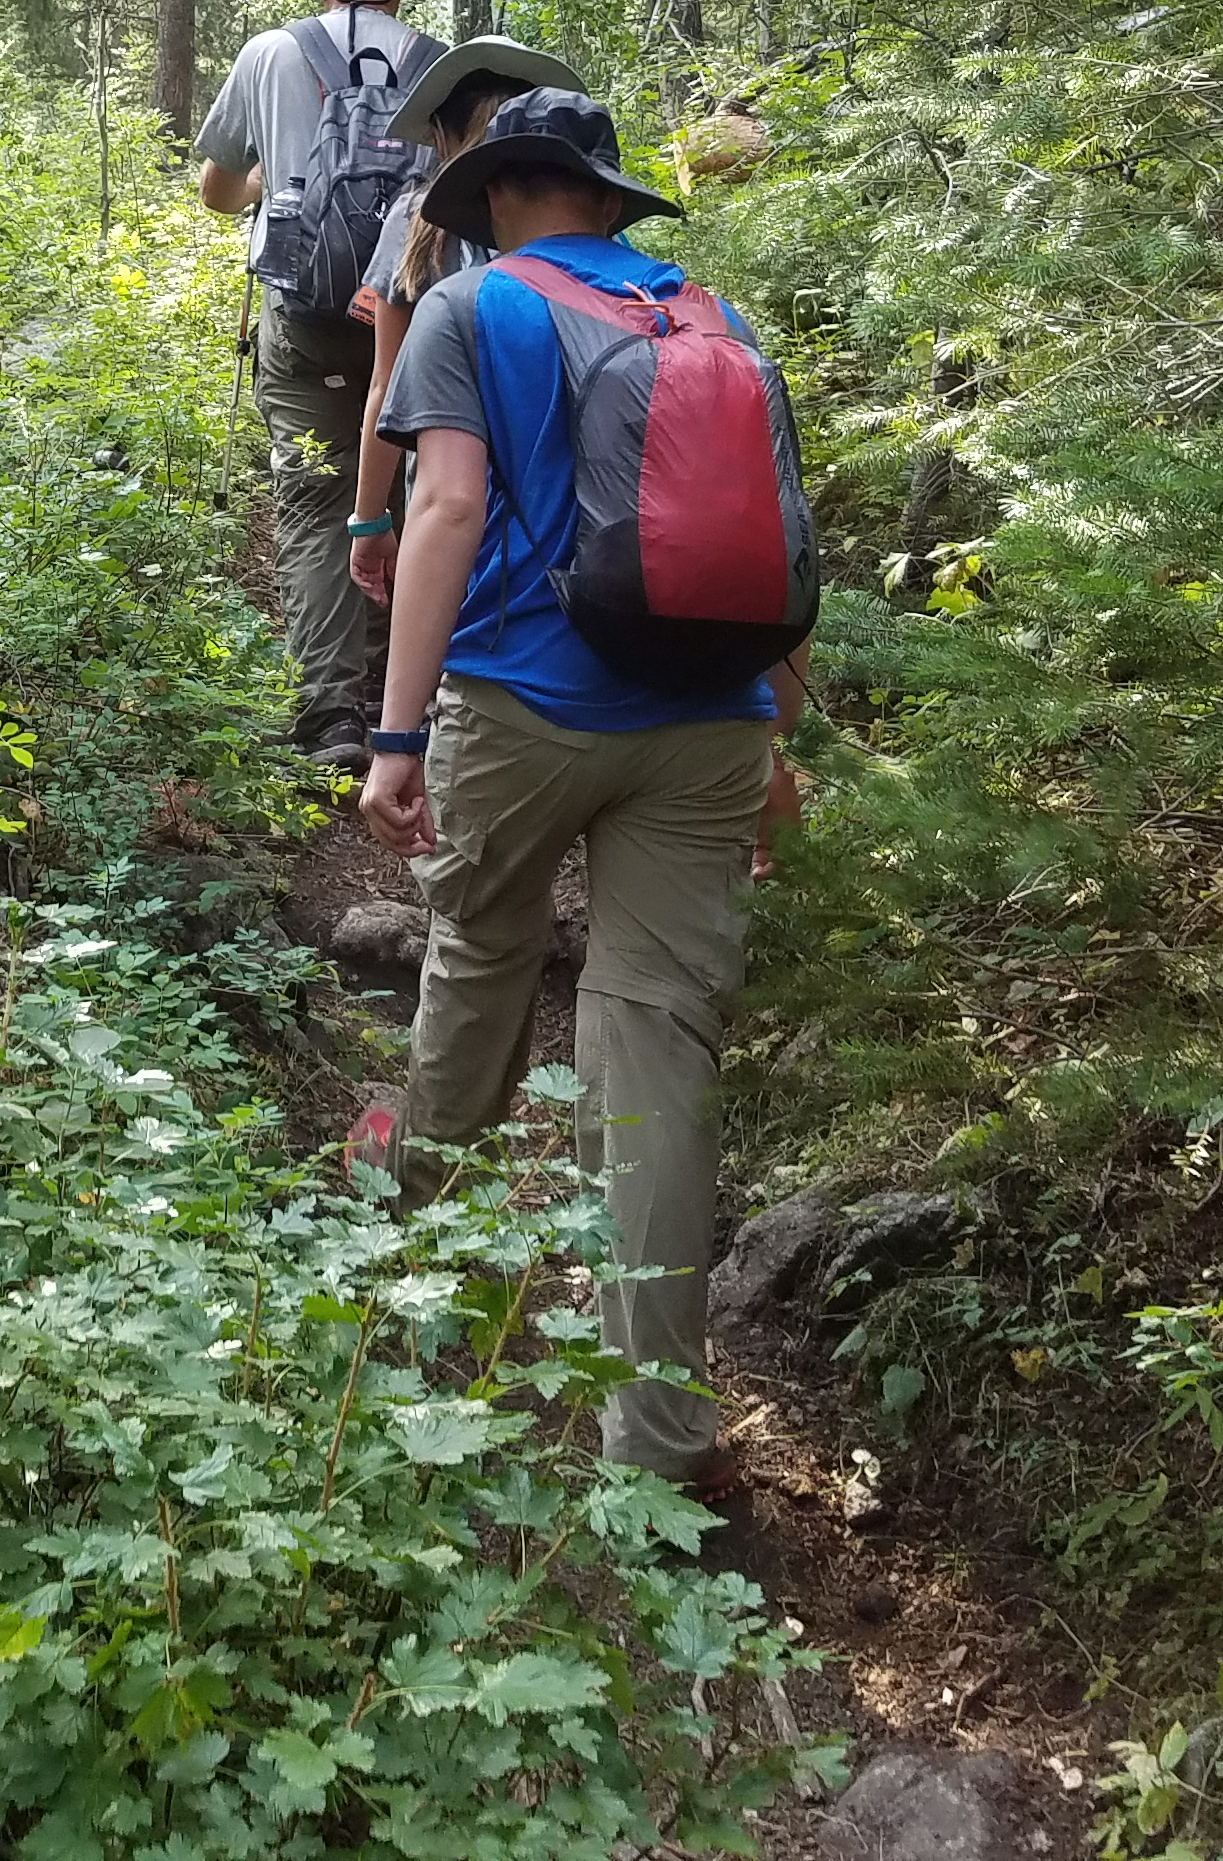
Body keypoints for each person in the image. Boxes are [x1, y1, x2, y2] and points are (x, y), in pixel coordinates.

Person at [350, 87, 810, 1503]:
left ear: (497, 198)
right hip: (709, 725)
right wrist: (777, 743)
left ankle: (418, 1304)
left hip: (523, 709)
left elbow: (442, 510)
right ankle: (656, 1449)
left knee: (481, 961)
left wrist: (397, 728)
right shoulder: (718, 319)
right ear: (610, 198)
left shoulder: (473, 309)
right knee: (657, 1051)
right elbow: (776, 548)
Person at [191, 0, 450, 770]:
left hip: (300, 312)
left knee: (313, 501)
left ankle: (329, 714)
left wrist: (275, 186)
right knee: (413, 493)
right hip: (415, 311)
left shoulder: (268, 54)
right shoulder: (444, 65)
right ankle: (402, 698)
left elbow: (218, 189)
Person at [344, 36, 587, 614]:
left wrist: (369, 517)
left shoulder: (414, 219)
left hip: (442, 491)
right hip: (567, 494)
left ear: (445, 138)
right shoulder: (588, 223)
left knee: (455, 637)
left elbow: (387, 382)